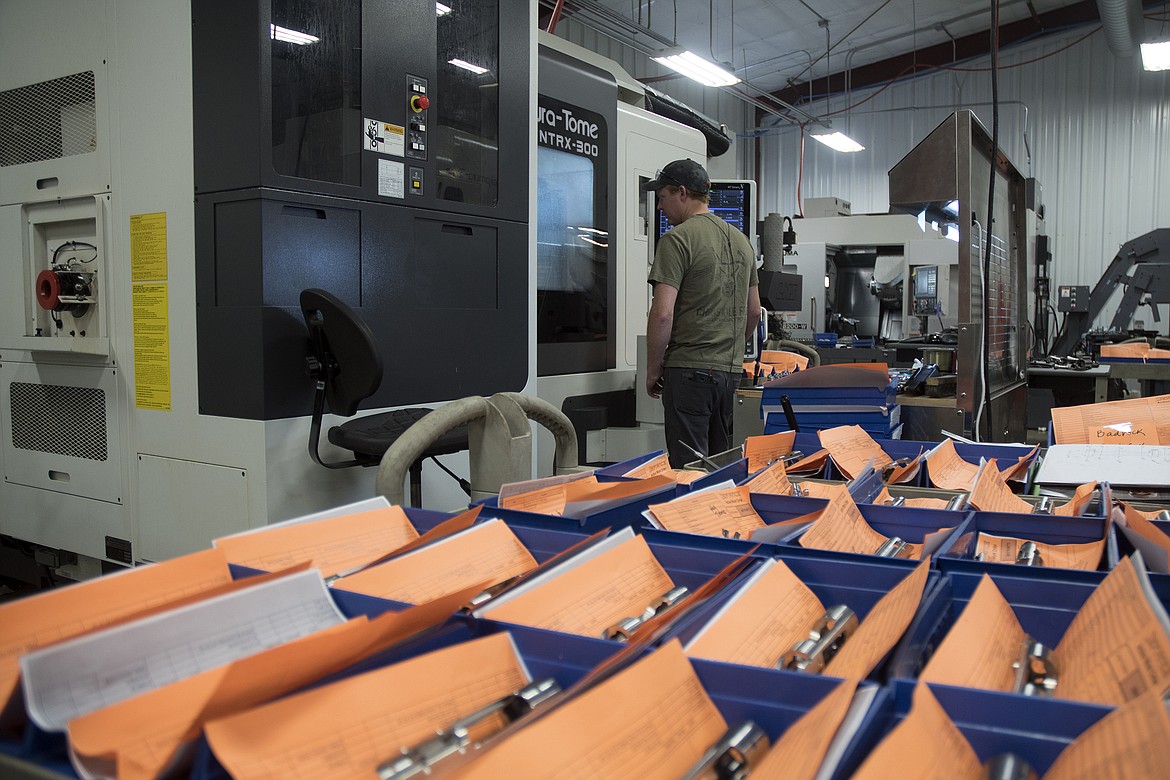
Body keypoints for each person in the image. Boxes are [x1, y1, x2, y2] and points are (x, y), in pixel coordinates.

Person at [643, 159, 760, 468]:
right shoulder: (742, 243)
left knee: (689, 471)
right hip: (730, 375)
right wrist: (726, 347)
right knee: (721, 467)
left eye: (662, 197)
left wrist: (653, 369)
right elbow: (754, 314)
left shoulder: (676, 239)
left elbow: (663, 314)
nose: (659, 207)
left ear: (682, 193)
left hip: (689, 373)